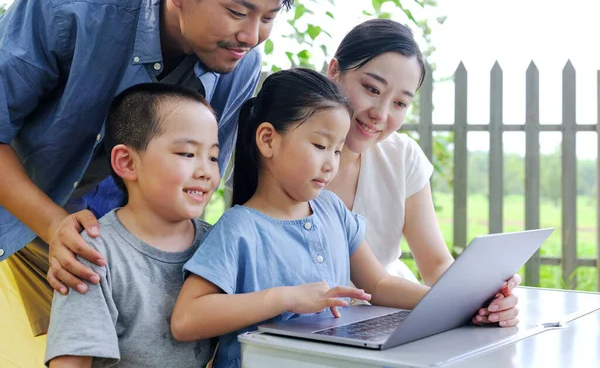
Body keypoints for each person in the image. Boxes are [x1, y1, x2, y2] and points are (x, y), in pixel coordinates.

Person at [0, 0, 302, 336]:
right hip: (19, 225)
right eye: (237, 12)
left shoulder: (240, 62)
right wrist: (53, 226)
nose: (250, 36)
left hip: (107, 258)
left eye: (268, 18)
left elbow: (207, 182)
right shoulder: (68, 4)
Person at [170, 68, 516, 368]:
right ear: (267, 140)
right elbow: (186, 320)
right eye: (320, 146)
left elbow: (378, 286)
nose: (331, 163)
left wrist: (459, 302)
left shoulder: (332, 209)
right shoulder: (240, 229)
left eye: (337, 150)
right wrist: (286, 298)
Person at [326, 19, 520, 326]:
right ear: (334, 71)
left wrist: (482, 298)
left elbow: (437, 264)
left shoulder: (401, 156)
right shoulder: (291, 157)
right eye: (371, 88)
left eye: (400, 102)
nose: (381, 113)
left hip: (389, 315)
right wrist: (456, 301)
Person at [44, 83, 220, 367]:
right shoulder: (94, 254)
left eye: (213, 156)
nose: (206, 171)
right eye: (187, 153)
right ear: (127, 162)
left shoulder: (218, 245)